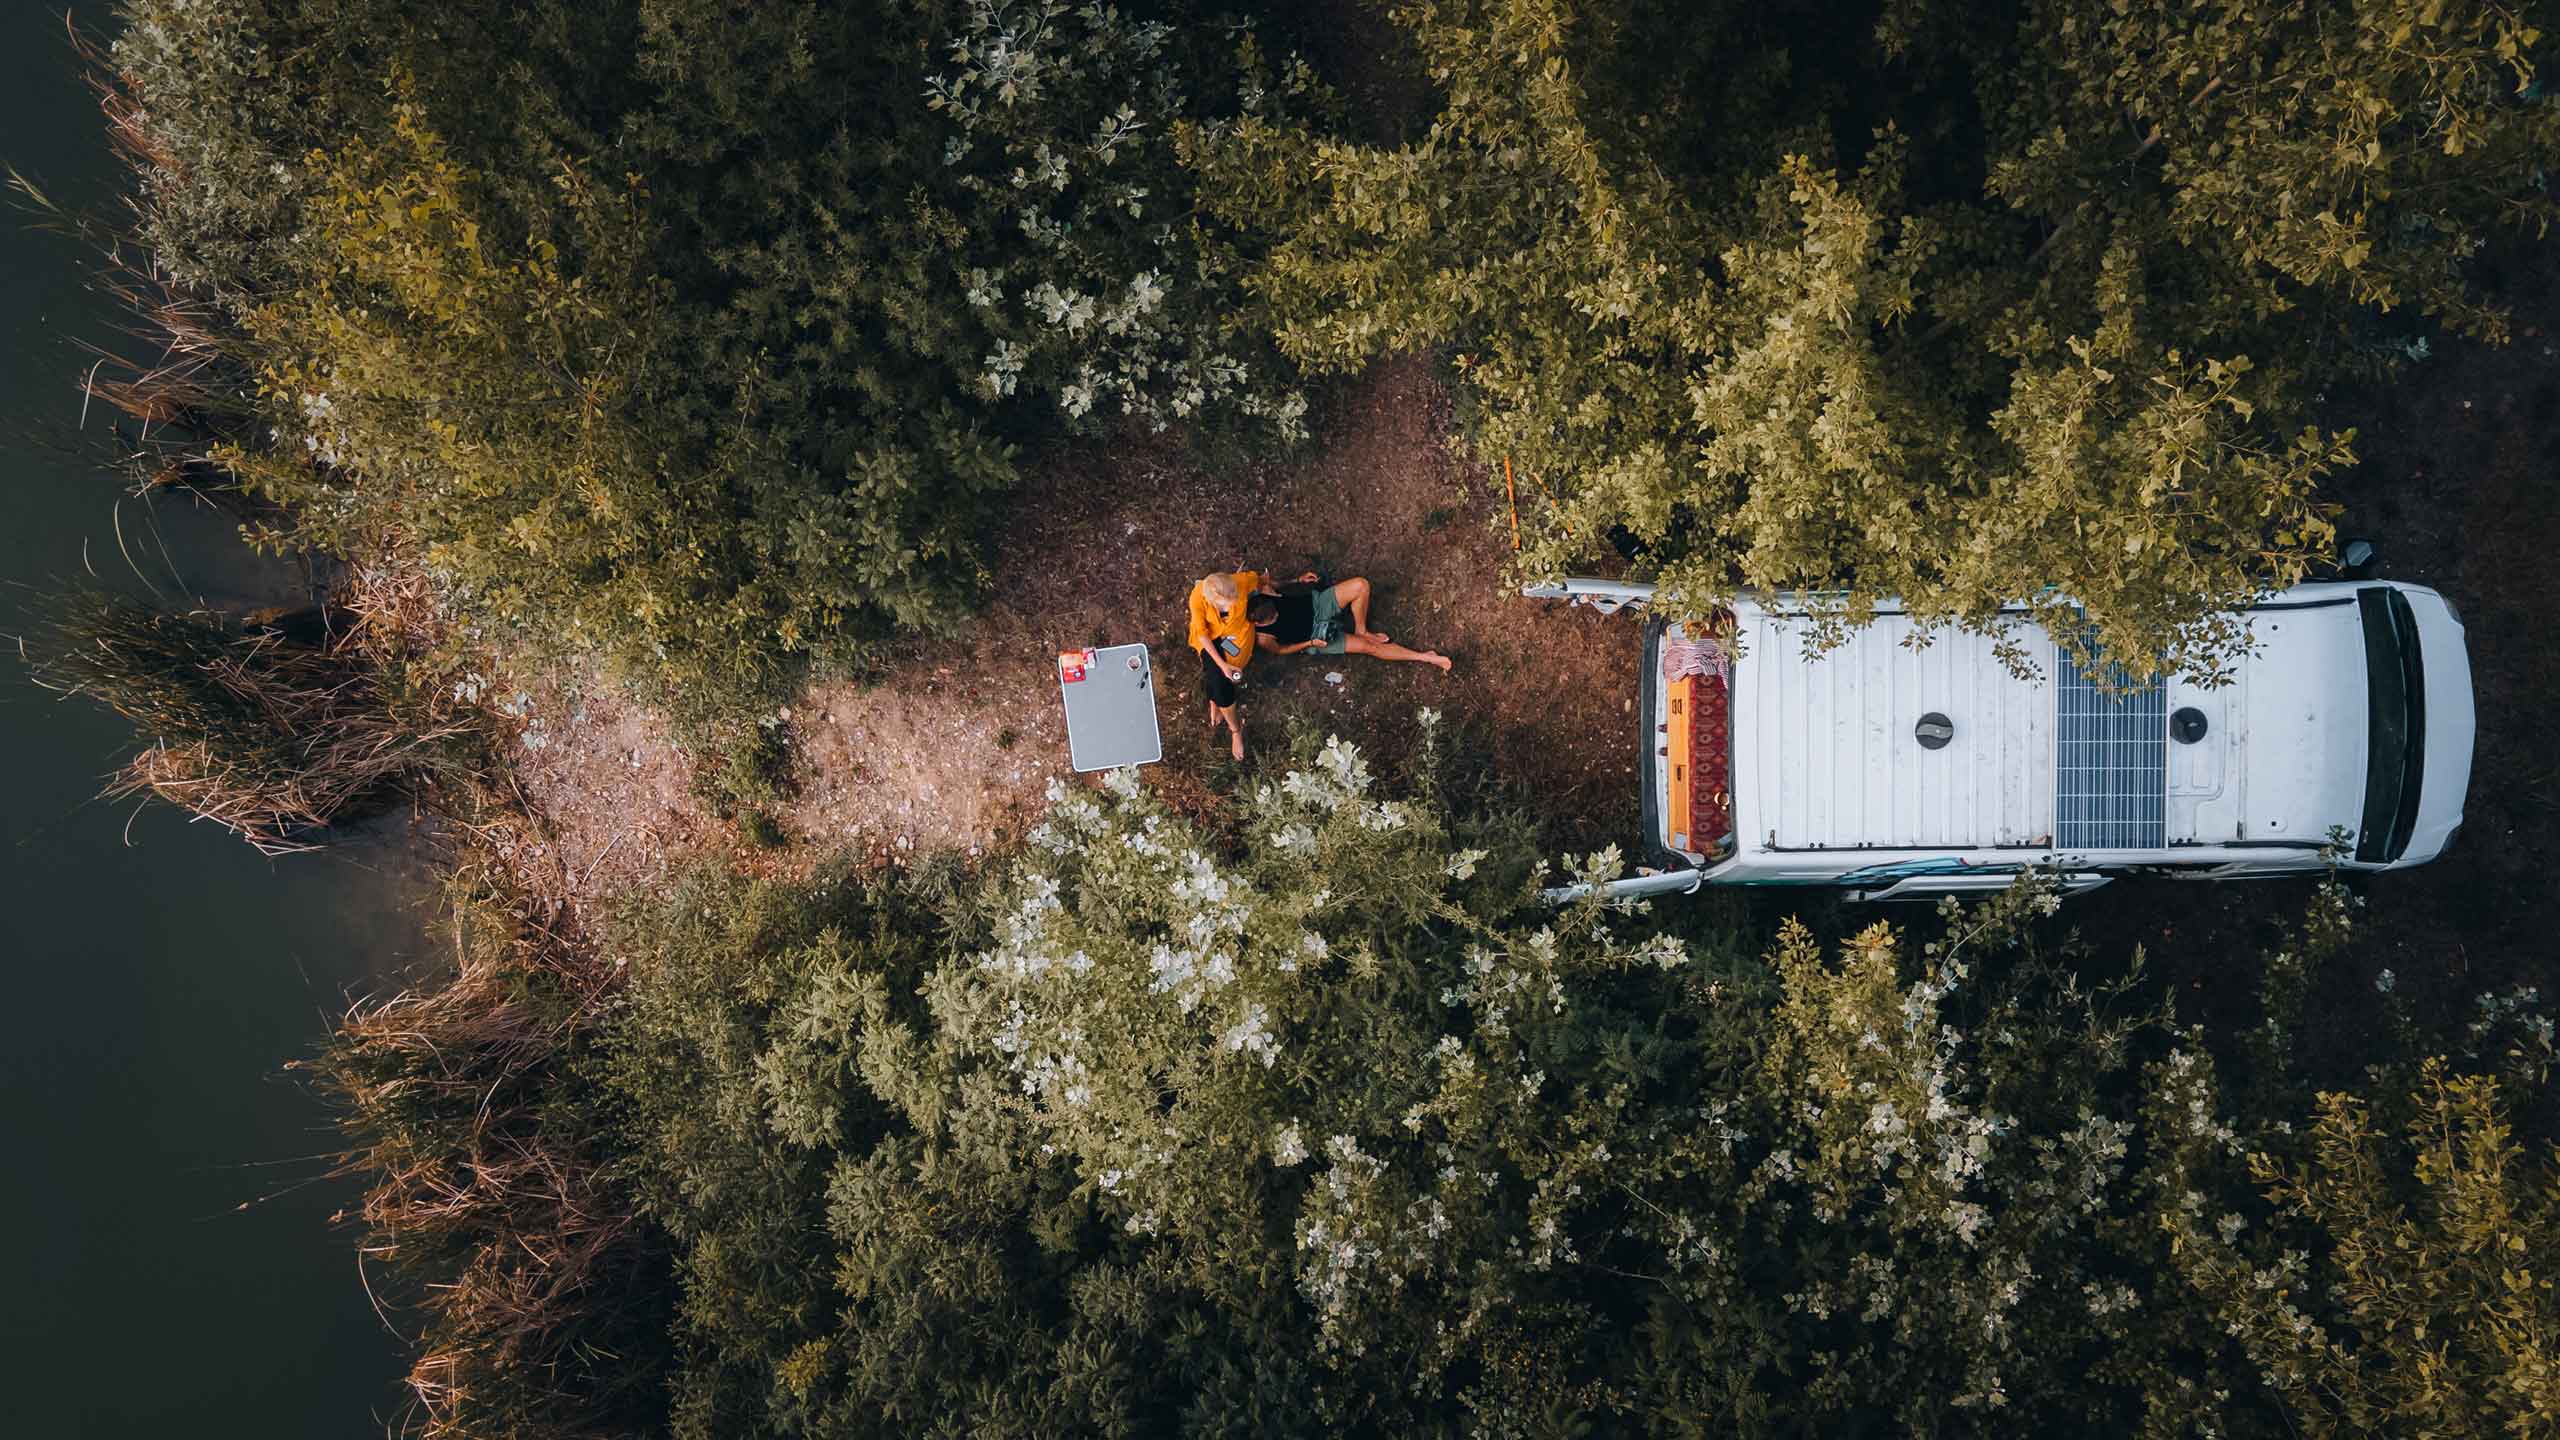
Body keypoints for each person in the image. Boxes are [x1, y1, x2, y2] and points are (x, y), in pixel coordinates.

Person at [1187, 568, 1320, 760]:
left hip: (1237, 635)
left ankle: (1216, 700)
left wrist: (1296, 579)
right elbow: (1203, 635)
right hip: (1212, 638)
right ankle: (1235, 729)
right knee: (1220, 679)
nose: (1233, 604)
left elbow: (1265, 581)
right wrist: (1223, 666)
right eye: (1228, 603)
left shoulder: (1241, 581)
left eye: (1236, 599)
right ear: (1212, 600)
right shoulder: (1197, 598)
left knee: (1224, 672)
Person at [1250, 576, 1453, 672]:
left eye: (1271, 605)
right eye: (1270, 614)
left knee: (1361, 585)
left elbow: (1275, 585)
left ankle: (1361, 629)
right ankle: (1426, 657)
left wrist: (1297, 580)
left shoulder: (1266, 592)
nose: (1274, 611)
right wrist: (1310, 644)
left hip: (1318, 605)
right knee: (1369, 647)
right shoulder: (1264, 637)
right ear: (1258, 621)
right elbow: (1282, 650)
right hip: (1316, 635)